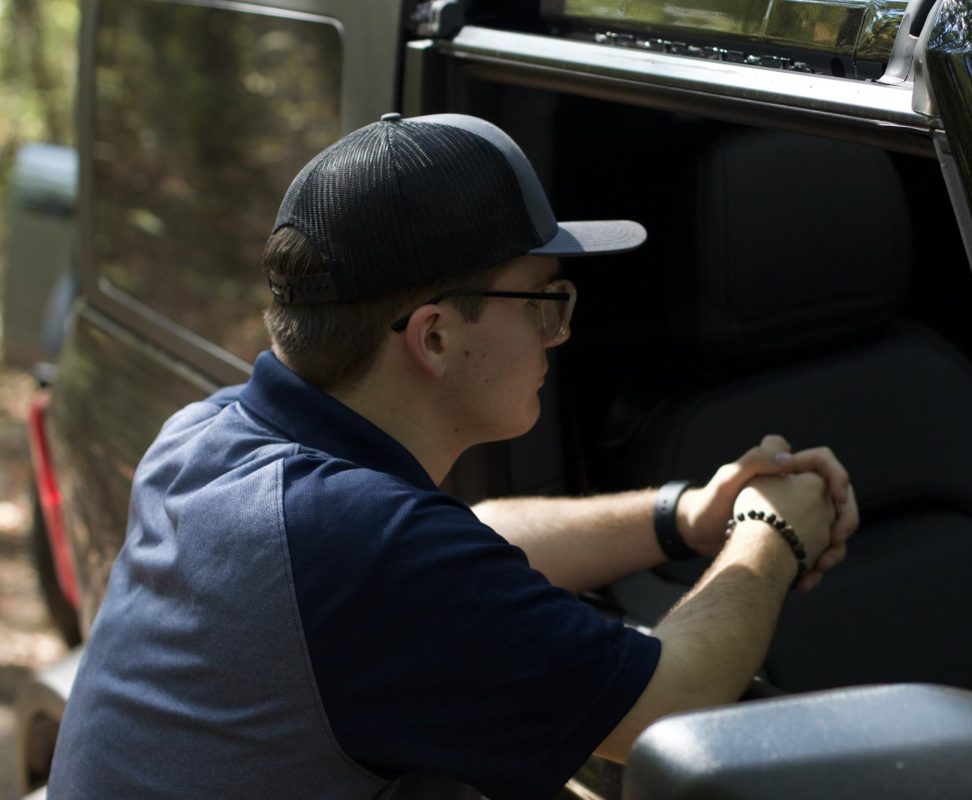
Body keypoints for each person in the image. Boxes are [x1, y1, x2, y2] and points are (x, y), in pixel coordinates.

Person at [48, 113, 858, 799]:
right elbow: (667, 702)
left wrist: (684, 516)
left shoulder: (208, 435)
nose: (559, 333)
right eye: (545, 300)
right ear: (434, 336)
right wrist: (769, 531)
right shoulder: (363, 545)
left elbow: (466, 541)